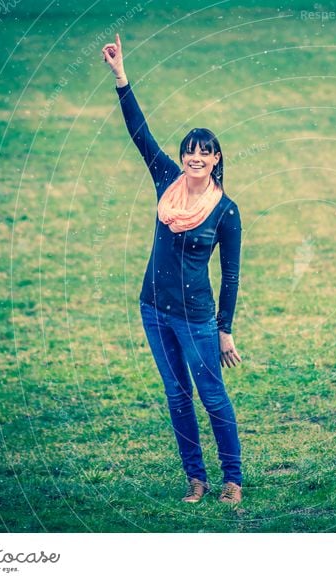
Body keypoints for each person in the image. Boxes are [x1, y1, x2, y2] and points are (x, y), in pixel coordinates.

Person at [102, 33, 244, 504]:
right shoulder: (167, 179)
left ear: (216, 158)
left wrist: (224, 331)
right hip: (153, 309)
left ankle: (232, 479)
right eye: (189, 150)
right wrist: (121, 76)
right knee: (177, 396)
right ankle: (195, 478)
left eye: (204, 151)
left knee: (212, 396)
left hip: (197, 318)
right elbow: (139, 133)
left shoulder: (226, 212)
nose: (195, 157)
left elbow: (232, 276)